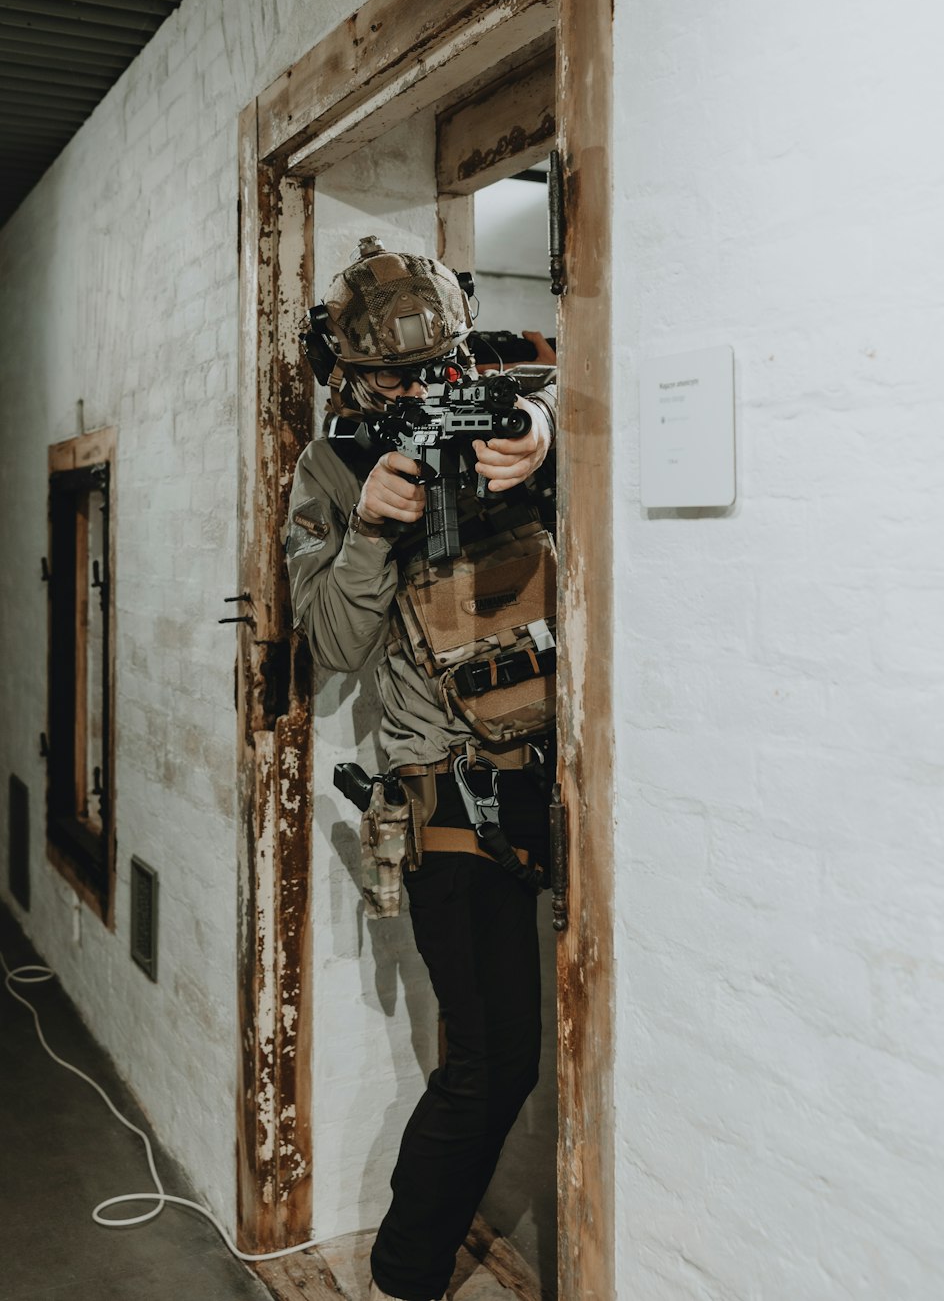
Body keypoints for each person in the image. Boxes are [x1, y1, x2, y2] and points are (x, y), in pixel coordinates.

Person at [283, 236, 557, 1301]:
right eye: (391, 380)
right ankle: (403, 1274)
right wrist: (368, 529)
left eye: (435, 369)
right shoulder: (333, 466)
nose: (419, 393)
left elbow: (578, 388)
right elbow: (333, 647)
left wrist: (535, 433)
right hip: (449, 793)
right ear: (344, 374)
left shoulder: (506, 391)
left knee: (517, 1057)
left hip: (552, 772)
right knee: (490, 1063)